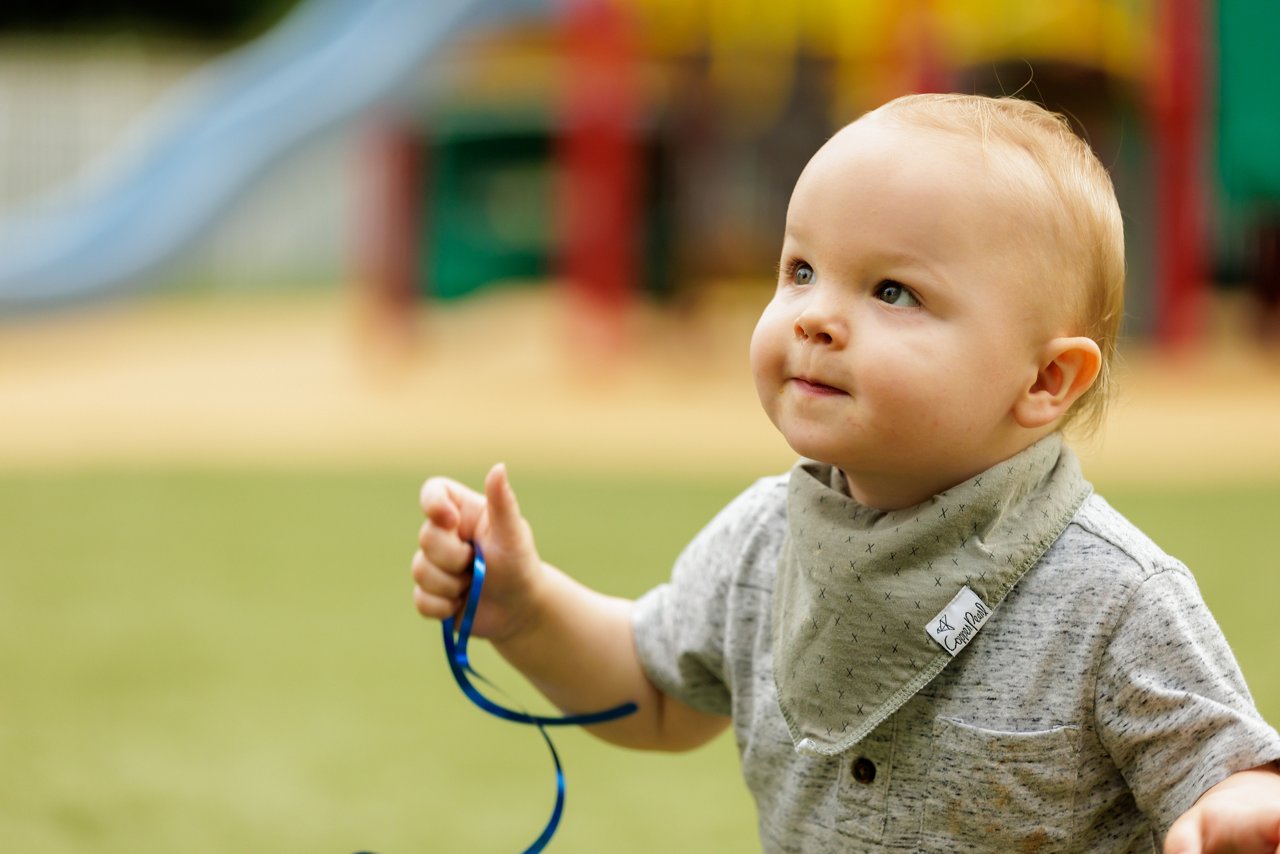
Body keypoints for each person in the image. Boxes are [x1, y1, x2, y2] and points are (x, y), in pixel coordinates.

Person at [410, 93, 1280, 852]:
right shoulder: (764, 539)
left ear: (1045, 381)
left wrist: (1238, 805)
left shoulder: (1112, 597)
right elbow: (658, 695)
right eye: (800, 270)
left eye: (893, 291)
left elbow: (1221, 769)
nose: (817, 315)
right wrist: (525, 611)